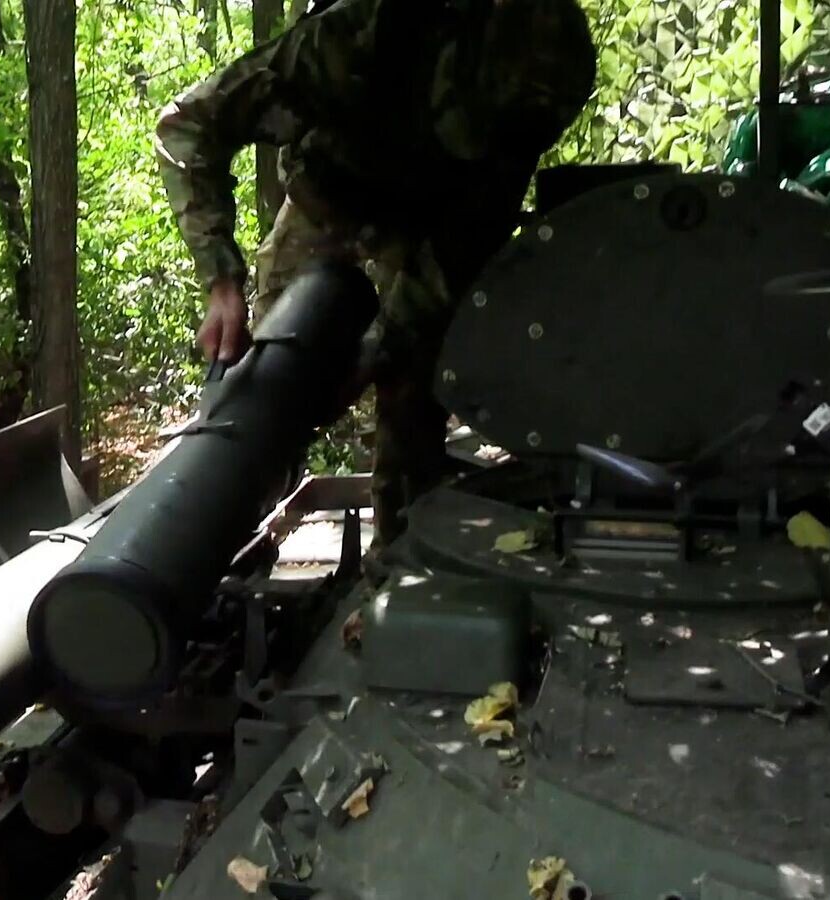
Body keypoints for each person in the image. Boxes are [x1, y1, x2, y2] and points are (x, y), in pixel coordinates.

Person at [155, 0, 596, 549]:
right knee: (270, 388)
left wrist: (384, 350)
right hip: (326, 200)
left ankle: (400, 570)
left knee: (412, 401)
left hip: (429, 224)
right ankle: (210, 539)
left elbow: (463, 248)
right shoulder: (354, 37)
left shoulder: (546, 78)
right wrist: (221, 280)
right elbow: (188, 127)